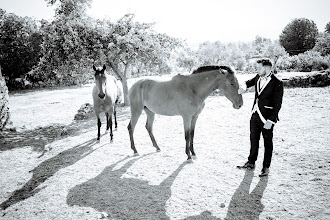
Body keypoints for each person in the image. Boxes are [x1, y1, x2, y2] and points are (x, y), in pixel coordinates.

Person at [237, 58, 284, 177]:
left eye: (259, 67)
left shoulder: (277, 82)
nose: (257, 69)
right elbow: (247, 82)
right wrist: (243, 87)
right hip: (254, 113)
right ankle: (251, 162)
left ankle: (266, 167)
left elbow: (278, 104)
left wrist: (271, 120)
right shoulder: (258, 77)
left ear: (267, 68)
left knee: (267, 142)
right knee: (253, 139)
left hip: (267, 118)